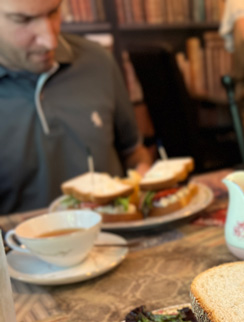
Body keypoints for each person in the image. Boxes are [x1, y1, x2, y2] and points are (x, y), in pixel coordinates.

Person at [0, 0, 152, 214]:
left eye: (53, 12)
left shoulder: (98, 61)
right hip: (20, 244)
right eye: (23, 20)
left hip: (117, 236)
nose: (50, 41)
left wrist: (144, 174)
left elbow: (134, 153)